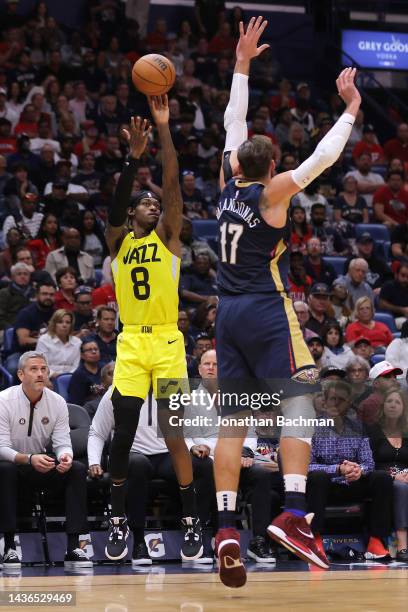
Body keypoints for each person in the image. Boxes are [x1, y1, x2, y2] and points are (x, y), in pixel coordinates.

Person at [214, 15, 361, 586]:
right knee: (301, 405)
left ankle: (227, 528)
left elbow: (233, 122)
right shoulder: (274, 192)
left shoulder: (229, 184)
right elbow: (322, 160)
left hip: (226, 317)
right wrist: (349, 108)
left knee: (232, 425)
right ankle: (296, 515)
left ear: (238, 164)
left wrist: (242, 64)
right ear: (271, 167)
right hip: (266, 311)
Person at [103, 95, 203, 563]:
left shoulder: (168, 238)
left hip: (165, 341)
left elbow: (171, 187)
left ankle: (190, 517)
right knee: (122, 435)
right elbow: (116, 208)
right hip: (129, 342)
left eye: (152, 203)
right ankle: (117, 518)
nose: (149, 204)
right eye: (141, 204)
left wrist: (163, 130)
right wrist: (131, 160)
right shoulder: (119, 242)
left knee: (173, 434)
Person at [88, 387, 216, 566]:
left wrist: (192, 446)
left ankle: (196, 535)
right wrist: (94, 461)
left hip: (167, 454)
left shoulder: (172, 387)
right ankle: (139, 542)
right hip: (134, 453)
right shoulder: (118, 389)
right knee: (137, 465)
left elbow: (183, 429)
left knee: (204, 465)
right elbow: (97, 431)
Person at [184, 349, 282, 563]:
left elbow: (250, 434)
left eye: (216, 364)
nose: (211, 368)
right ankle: (200, 537)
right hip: (206, 459)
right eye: (207, 364)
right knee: (204, 469)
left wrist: (244, 452)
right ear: (199, 369)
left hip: (234, 459)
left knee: (261, 475)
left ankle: (258, 542)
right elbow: (182, 434)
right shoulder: (188, 397)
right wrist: (193, 447)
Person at [0, 351, 91, 570]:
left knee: (76, 469)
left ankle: (73, 547)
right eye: (34, 369)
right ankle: (9, 547)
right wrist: (28, 459)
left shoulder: (57, 401)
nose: (40, 374)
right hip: (14, 463)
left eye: (44, 369)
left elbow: (62, 441)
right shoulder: (3, 400)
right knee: (4, 470)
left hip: (41, 462)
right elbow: (1, 447)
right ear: (21, 374)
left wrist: (64, 456)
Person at [307, 380, 393, 560]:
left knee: (381, 478)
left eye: (342, 400)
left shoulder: (358, 427)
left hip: (353, 483)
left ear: (349, 403)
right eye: (332, 399)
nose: (336, 404)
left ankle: (376, 541)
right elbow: (307, 466)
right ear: (324, 401)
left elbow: (368, 463)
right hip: (326, 485)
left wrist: (358, 470)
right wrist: (337, 469)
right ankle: (314, 540)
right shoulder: (311, 427)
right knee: (317, 477)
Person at [368, 388, 408, 561]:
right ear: (383, 406)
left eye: (397, 402)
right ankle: (402, 546)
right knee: (400, 487)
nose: (393, 405)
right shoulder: (373, 431)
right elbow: (368, 462)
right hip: (382, 478)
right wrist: (393, 476)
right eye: (389, 401)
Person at [6, 281, 56, 379]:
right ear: (37, 295)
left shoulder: (56, 313)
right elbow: (23, 341)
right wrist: (45, 342)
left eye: (51, 294)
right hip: (23, 353)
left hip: (50, 352)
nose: (48, 297)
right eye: (44, 294)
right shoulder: (26, 313)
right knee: (13, 367)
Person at [36, 309, 81, 378]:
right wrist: (53, 375)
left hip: (72, 378)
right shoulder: (44, 340)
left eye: (68, 322)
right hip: (48, 377)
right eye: (60, 322)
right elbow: (41, 364)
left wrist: (68, 377)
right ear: (54, 324)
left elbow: (77, 365)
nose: (64, 325)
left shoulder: (77, 342)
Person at [358, 361, 402, 426]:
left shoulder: (394, 400)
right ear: (376, 383)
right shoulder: (372, 402)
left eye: (394, 377)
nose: (394, 380)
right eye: (387, 377)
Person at [0, 262, 34, 336]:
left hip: (33, 329)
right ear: (13, 277)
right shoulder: (4, 293)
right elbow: (0, 317)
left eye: (25, 274)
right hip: (10, 329)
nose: (22, 276)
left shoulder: (35, 292)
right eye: (19, 274)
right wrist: (11, 329)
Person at [67, 340, 103, 406]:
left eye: (96, 349)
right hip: (87, 410)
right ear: (82, 355)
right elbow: (75, 402)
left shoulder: (105, 369)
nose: (94, 352)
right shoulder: (79, 375)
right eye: (89, 350)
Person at [379, 261, 408, 329]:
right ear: (396, 275)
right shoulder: (388, 286)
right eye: (403, 275)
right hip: (393, 318)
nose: (405, 279)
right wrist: (402, 310)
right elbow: (382, 304)